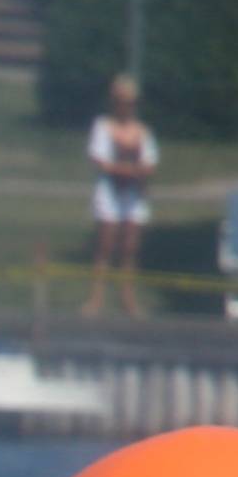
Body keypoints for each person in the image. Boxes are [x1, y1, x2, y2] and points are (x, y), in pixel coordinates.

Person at [82, 73, 158, 316]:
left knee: (129, 248)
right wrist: (126, 170)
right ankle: (96, 299)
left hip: (134, 195)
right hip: (110, 193)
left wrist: (134, 172)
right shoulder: (103, 126)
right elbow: (99, 160)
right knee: (105, 246)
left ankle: (128, 300)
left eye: (130, 101)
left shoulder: (142, 131)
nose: (126, 106)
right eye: (122, 101)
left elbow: (149, 164)